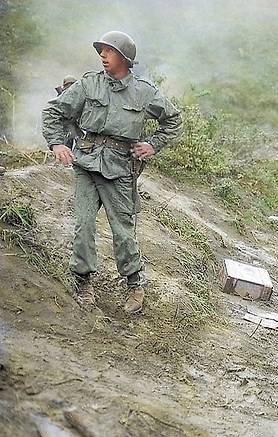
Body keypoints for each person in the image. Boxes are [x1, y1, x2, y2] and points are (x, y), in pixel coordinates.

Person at [42, 31, 182, 313]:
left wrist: (152, 145)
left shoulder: (144, 92)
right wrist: (57, 143)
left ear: (125, 59)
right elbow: (54, 112)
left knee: (123, 231)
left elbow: (173, 120)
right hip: (86, 164)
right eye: (101, 51)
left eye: (109, 51)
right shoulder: (88, 84)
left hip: (119, 169)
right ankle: (83, 281)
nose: (103, 56)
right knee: (84, 225)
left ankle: (134, 284)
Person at [55, 76, 83, 149]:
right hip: (66, 125)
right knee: (67, 145)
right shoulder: (63, 96)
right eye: (69, 84)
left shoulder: (77, 94)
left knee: (81, 143)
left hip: (74, 124)